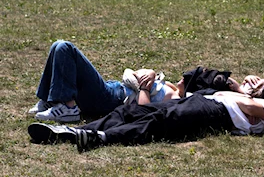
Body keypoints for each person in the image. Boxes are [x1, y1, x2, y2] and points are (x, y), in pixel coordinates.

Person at [27, 67, 264, 152]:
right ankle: (75, 131)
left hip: (220, 114)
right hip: (212, 100)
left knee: (161, 121)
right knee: (132, 112)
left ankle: (100, 139)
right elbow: (249, 103)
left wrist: (243, 95)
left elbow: (250, 108)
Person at [26, 40, 185, 122]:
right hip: (114, 88)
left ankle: (69, 109)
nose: (183, 77)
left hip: (110, 100)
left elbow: (145, 112)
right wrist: (151, 73)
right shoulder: (173, 89)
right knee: (57, 45)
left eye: (188, 78)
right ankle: (50, 100)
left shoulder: (176, 101)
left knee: (65, 48)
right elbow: (142, 77)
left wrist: (144, 88)